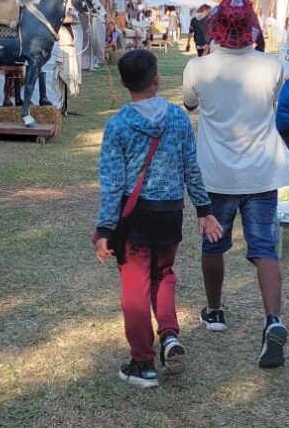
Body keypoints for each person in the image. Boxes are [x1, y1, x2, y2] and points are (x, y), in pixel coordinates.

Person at [95, 49, 222, 388]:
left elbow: (113, 182)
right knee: (163, 275)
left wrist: (105, 228)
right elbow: (192, 168)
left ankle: (143, 363)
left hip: (135, 219)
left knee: (134, 291)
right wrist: (204, 210)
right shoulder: (179, 118)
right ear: (156, 78)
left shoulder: (118, 124)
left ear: (123, 82)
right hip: (169, 215)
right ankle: (169, 335)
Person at [182, 0, 289, 369]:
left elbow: (190, 104)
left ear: (215, 27)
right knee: (265, 249)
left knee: (213, 245)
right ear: (252, 28)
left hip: (216, 175)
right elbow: (278, 105)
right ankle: (273, 320)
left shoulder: (198, 68)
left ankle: (214, 311)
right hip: (262, 173)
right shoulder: (272, 66)